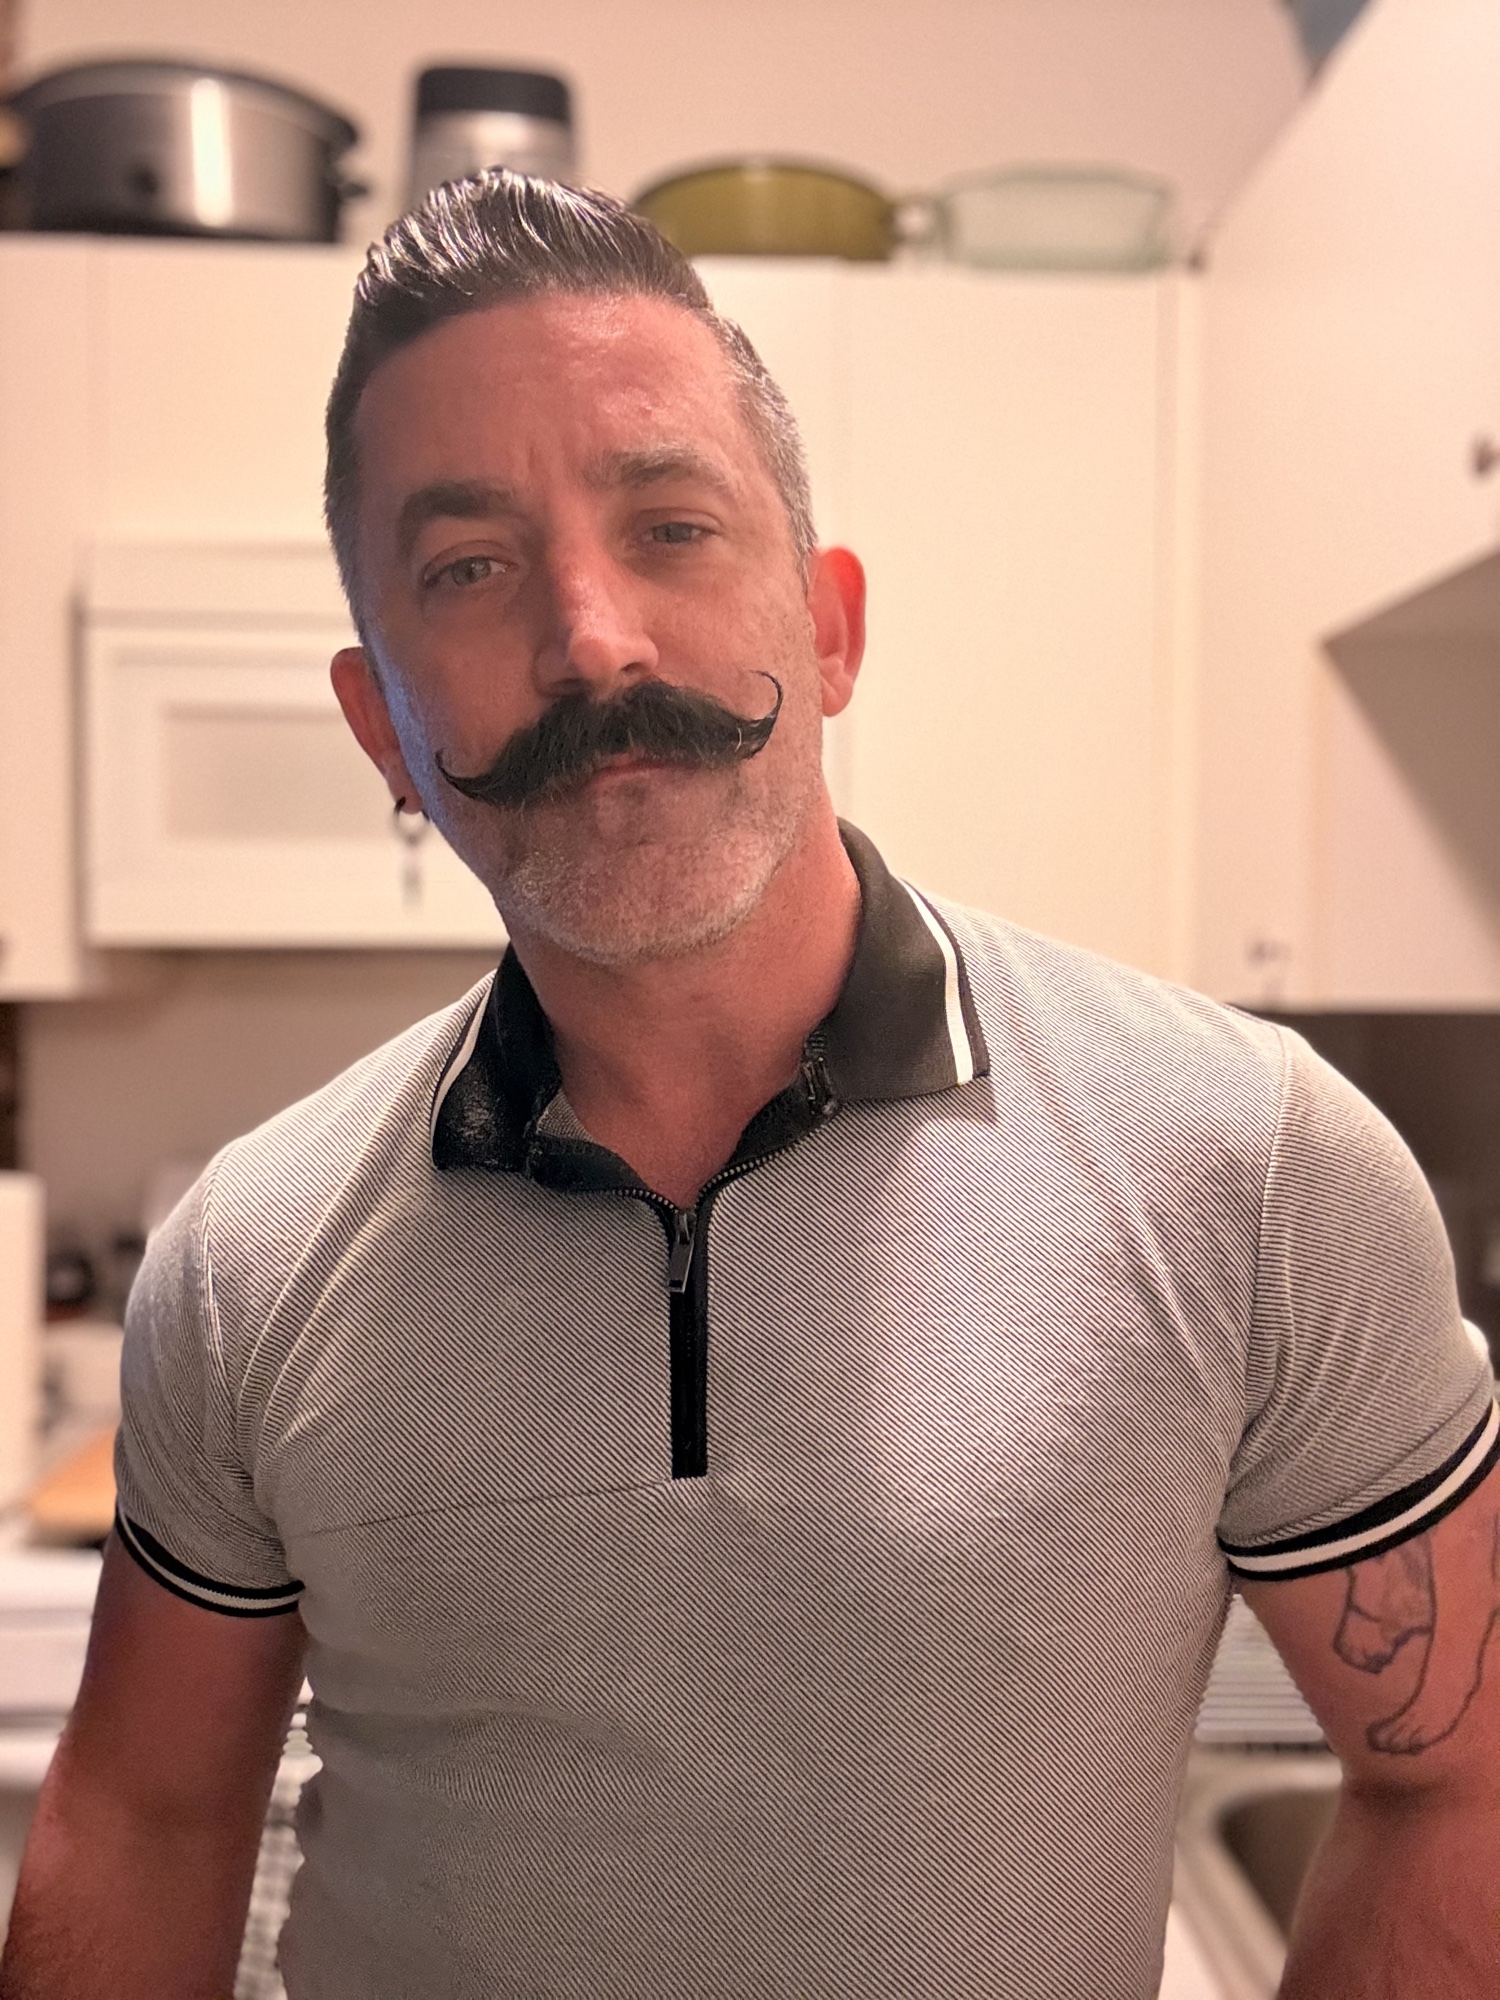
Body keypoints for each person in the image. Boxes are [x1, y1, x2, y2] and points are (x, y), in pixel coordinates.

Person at [3, 170, 1497, 2000]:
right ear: (383, 724)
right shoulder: (251, 1264)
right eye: (467, 568)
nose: (592, 637)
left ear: (832, 627)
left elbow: (1460, 1780)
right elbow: (142, 1819)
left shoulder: (1253, 1175)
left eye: (672, 526)